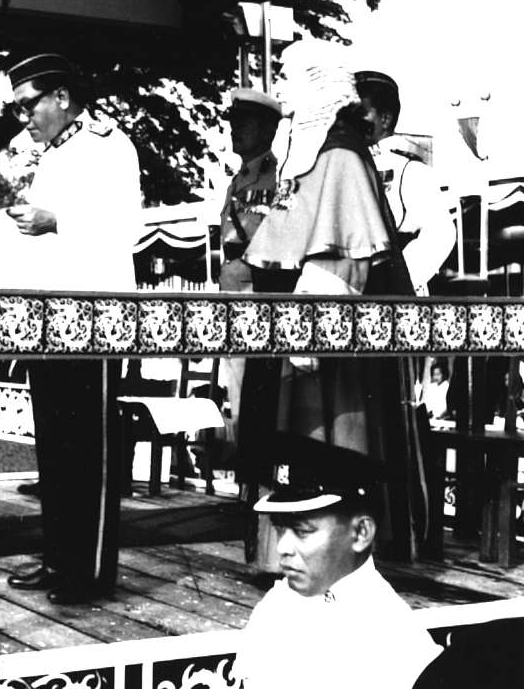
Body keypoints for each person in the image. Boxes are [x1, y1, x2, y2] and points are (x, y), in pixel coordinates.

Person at [241, 39, 427, 562]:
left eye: (289, 77)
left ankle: (328, 557)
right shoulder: (316, 151)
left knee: (325, 442)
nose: (281, 90)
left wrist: (309, 335)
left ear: (317, 83)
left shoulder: (340, 152)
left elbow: (343, 253)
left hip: (322, 346)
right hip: (297, 330)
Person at [3, 51, 141, 605]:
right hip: (51, 316)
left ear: (61, 96)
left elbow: (127, 227)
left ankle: (91, 570)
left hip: (96, 317)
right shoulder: (54, 155)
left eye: (28, 105)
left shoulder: (110, 145)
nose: (24, 118)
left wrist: (56, 220)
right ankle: (59, 557)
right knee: (56, 448)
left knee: (90, 450)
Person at [235, 435, 441, 689]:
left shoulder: (392, 638)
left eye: (303, 531)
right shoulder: (277, 605)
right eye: (280, 529)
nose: (282, 548)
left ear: (361, 533)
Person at [218, 88, 282, 455]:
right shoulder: (236, 180)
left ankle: (256, 472)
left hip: (257, 297)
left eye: (245, 123)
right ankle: (246, 472)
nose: (235, 129)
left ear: (269, 129)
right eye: (234, 122)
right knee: (237, 390)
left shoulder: (278, 177)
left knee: (258, 395)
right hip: (234, 295)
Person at [355, 70, 455, 295]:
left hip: (394, 294)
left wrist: (399, 278)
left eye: (361, 112)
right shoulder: (346, 163)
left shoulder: (410, 171)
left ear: (385, 119)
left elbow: (440, 232)